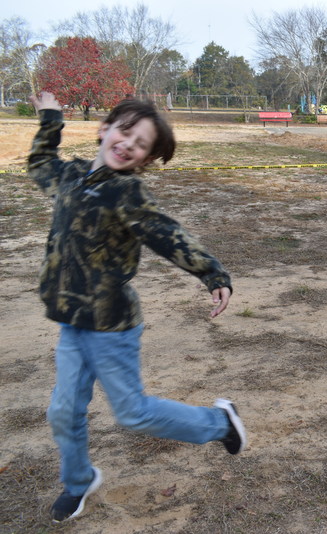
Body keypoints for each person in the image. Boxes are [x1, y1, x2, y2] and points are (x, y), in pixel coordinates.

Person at [28, 92, 247, 522]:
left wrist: (213, 274)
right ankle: (78, 481)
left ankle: (221, 424)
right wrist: (50, 118)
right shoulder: (69, 176)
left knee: (132, 414)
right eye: (125, 132)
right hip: (72, 322)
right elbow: (39, 163)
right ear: (104, 129)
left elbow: (166, 234)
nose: (129, 144)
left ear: (145, 158)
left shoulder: (126, 192)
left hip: (111, 326)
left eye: (141, 144)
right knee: (63, 411)